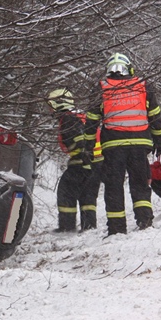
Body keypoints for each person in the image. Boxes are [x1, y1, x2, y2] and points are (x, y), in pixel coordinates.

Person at [84, 53, 161, 236]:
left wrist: (89, 147)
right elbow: (156, 117)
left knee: (113, 186)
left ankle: (117, 228)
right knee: (140, 183)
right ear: (129, 68)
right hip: (140, 144)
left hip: (113, 146)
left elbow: (91, 122)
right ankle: (145, 220)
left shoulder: (102, 88)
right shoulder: (143, 86)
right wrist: (160, 142)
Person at [46, 88, 103, 232]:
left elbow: (79, 139)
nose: (49, 109)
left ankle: (67, 227)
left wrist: (84, 157)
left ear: (57, 104)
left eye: (50, 105)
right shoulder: (80, 116)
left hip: (83, 161)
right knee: (87, 195)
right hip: (97, 162)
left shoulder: (69, 119)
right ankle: (89, 226)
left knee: (66, 191)